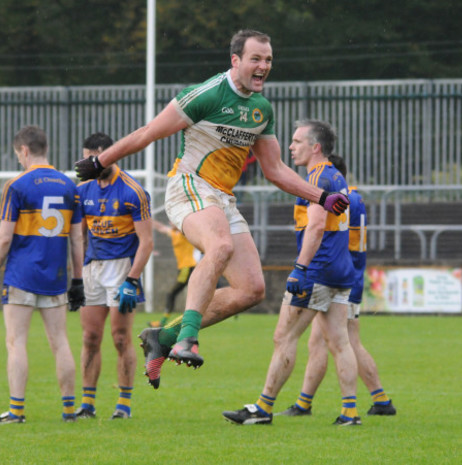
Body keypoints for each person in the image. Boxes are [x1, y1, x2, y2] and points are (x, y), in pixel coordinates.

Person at [75, 29, 349, 390]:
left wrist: (321, 197)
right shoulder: (205, 94)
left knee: (251, 289)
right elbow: (147, 133)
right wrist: (100, 162)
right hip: (188, 186)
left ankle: (164, 336)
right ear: (235, 61)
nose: (263, 66)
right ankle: (188, 339)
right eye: (256, 59)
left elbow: (275, 170)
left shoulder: (261, 110)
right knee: (220, 247)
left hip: (221, 198)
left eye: (268, 60)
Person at [222, 120, 361, 426]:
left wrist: (300, 268)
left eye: (297, 141)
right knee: (340, 342)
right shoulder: (335, 176)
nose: (290, 147)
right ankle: (350, 413)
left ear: (316, 148)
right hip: (340, 271)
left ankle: (263, 408)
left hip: (318, 271)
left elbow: (315, 226)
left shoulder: (319, 180)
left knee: (283, 336)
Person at [278, 155, 396, 417]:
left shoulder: (342, 198)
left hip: (340, 276)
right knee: (326, 343)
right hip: (349, 274)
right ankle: (306, 403)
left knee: (343, 343)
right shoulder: (355, 196)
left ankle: (378, 400)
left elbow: (331, 237)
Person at [0, 125, 83, 424]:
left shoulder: (17, 185)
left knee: (16, 342)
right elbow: (78, 239)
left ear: (24, 150)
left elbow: (3, 238)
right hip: (55, 276)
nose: (18, 159)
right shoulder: (69, 185)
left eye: (18, 154)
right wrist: (77, 279)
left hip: (21, 275)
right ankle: (69, 410)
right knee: (60, 341)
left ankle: (16, 411)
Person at [74, 132, 153, 420]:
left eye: (90, 158)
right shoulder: (83, 190)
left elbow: (147, 242)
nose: (86, 164)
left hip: (122, 269)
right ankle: (87, 404)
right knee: (90, 337)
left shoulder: (133, 191)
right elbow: (79, 236)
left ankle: (123, 405)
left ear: (107, 155)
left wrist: (132, 280)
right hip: (92, 267)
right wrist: (76, 276)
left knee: (120, 338)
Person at [148, 219, 196, 328]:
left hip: (188, 267)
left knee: (171, 294)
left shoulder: (185, 233)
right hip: (184, 268)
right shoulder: (174, 234)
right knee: (175, 294)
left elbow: (184, 227)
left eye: (172, 221)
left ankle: (163, 322)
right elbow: (161, 228)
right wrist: (147, 219)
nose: (170, 223)